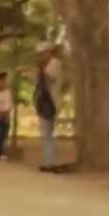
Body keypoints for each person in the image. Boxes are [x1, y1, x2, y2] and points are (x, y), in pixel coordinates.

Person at [34, 42, 64, 172]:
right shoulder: (44, 66)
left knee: (47, 134)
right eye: (40, 54)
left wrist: (35, 70)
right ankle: (49, 162)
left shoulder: (55, 63)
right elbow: (38, 82)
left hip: (50, 102)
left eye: (43, 53)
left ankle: (51, 163)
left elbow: (49, 78)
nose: (41, 56)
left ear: (49, 52)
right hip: (43, 101)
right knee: (46, 134)